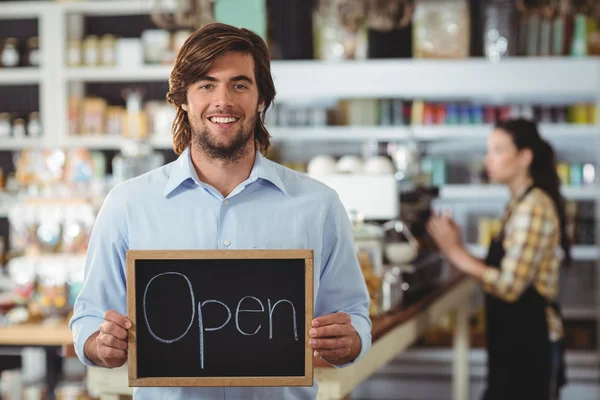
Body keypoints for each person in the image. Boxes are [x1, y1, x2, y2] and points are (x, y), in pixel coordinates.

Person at [70, 22, 372, 399]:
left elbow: (354, 313)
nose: (223, 100)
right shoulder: (128, 204)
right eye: (206, 84)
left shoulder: (319, 205)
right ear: (183, 97)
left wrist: (352, 340)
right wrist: (99, 345)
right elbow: (88, 318)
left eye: (240, 84)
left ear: (262, 98)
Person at [427, 119, 568, 400]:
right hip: (514, 341)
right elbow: (506, 267)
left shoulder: (534, 207)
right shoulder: (518, 204)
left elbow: (510, 285)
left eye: (497, 150)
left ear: (525, 157)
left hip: (532, 344)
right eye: (488, 150)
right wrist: (460, 249)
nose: (488, 159)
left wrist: (454, 251)